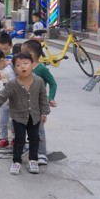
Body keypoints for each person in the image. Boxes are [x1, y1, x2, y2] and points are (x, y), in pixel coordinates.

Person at [0, 52, 50, 175]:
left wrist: (44, 113)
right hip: (18, 117)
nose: (22, 66)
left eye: (25, 63)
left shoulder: (39, 81)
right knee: (19, 140)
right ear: (15, 69)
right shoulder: (12, 84)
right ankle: (16, 161)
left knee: (34, 139)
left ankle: (33, 160)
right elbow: (2, 96)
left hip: (35, 116)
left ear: (32, 64)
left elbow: (43, 98)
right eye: (18, 65)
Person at [20, 39, 58, 167]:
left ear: (31, 55)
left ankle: (41, 153)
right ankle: (26, 147)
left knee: (39, 130)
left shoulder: (42, 69)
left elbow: (53, 83)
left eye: (23, 53)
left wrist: (50, 97)